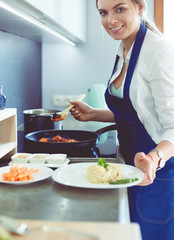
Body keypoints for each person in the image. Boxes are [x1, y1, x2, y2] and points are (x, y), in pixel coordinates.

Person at [70, 1, 174, 239]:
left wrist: (154, 158)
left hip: (157, 172)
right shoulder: (124, 49)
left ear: (139, 7)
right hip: (130, 165)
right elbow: (140, 112)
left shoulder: (157, 53)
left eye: (120, 9)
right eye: (103, 13)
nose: (111, 20)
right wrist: (93, 114)